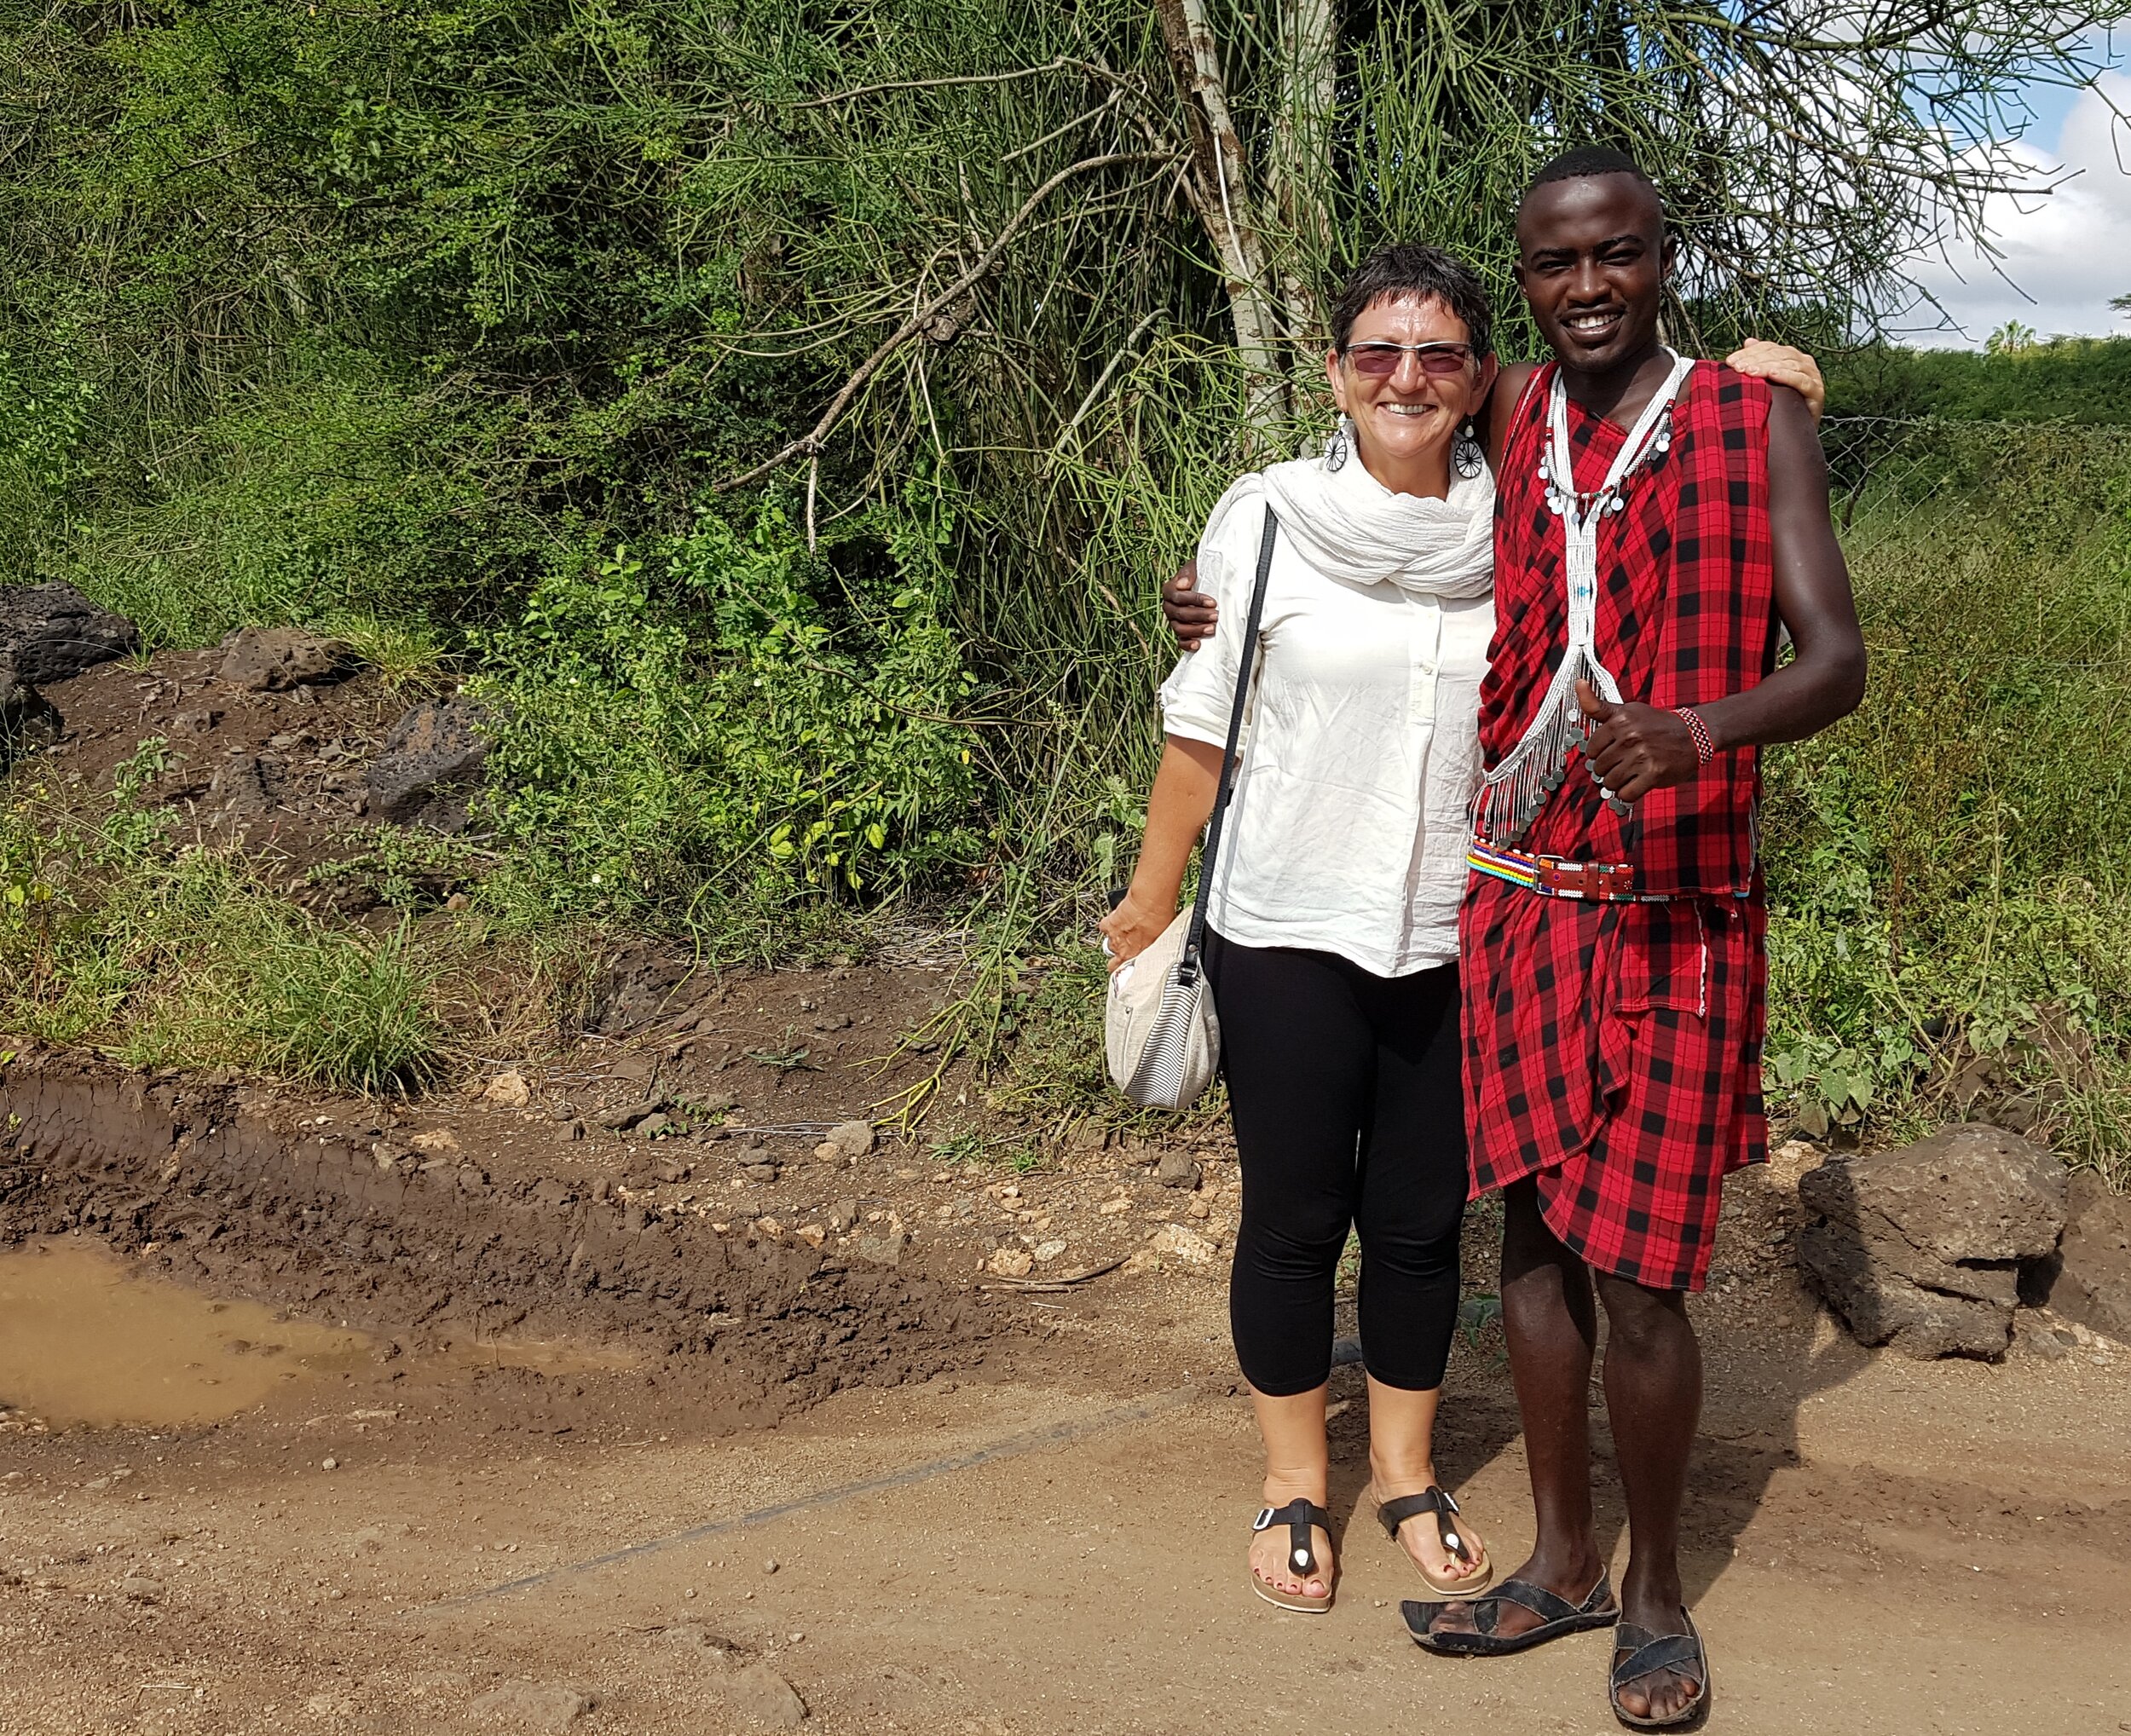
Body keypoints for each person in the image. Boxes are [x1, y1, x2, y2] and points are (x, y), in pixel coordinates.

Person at [1112, 242, 1825, 1622]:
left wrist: (1750, 373)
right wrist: (1150, 901)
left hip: (1463, 931)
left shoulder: (1522, 516)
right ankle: (1291, 1486)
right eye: (1377, 353)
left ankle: (1403, 1472)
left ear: (1479, 378)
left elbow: (1654, 446)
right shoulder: (1259, 522)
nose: (1407, 379)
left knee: (1423, 1223)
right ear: (1335, 373)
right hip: (1287, 924)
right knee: (1294, 1218)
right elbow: (1198, 728)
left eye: (1439, 356)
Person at [1398, 147, 1865, 1730]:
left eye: (1616, 255)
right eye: (1553, 263)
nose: (1586, 286)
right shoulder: (1512, 413)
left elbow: (1838, 657)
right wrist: (1223, 582)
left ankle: (1657, 1591)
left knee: (1645, 1277)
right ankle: (1564, 1558)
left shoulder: (1755, 420)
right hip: (1527, 896)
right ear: (1522, 279)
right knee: (1530, 1248)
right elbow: (1370, 478)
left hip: (1676, 914)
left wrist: (1698, 726)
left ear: (1664, 257)